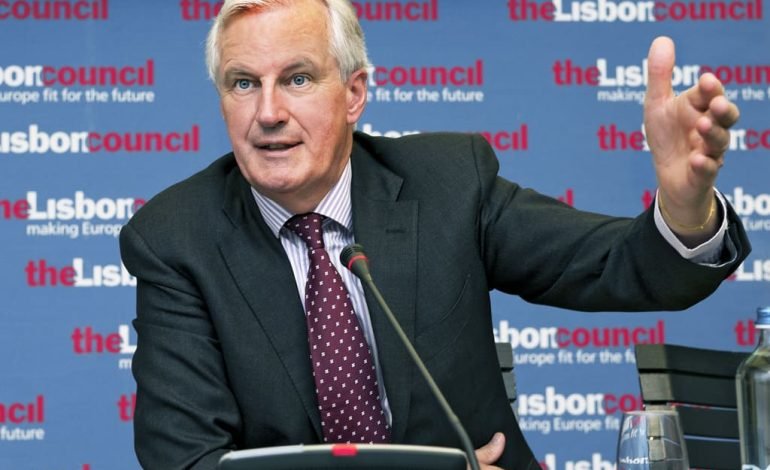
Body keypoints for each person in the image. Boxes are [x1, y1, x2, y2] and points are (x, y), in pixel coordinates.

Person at [119, 0, 750, 468]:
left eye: (299, 78)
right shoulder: (177, 238)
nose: (269, 112)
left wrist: (682, 202)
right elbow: (185, 461)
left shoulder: (448, 185)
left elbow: (618, 266)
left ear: (355, 93)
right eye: (243, 83)